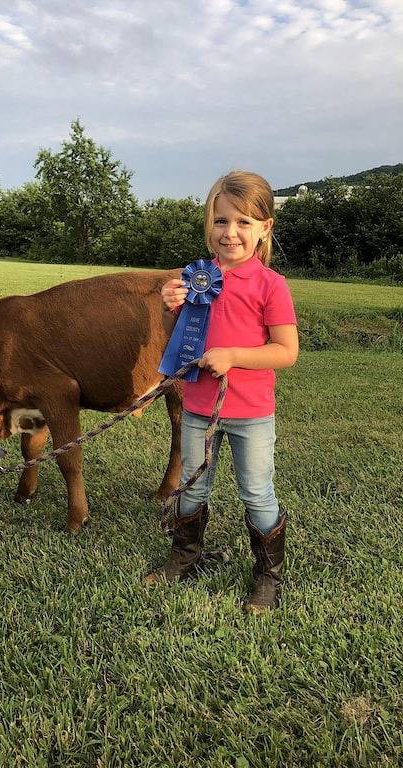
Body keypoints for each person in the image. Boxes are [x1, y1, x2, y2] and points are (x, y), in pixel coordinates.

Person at [146, 170, 299, 615]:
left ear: (264, 228)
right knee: (193, 489)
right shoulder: (197, 279)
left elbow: (286, 352)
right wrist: (169, 307)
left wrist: (233, 355)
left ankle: (267, 577)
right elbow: (185, 342)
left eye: (243, 223)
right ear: (208, 224)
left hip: (251, 413)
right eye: (220, 221)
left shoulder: (272, 285)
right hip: (198, 408)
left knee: (256, 492)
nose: (230, 233)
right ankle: (185, 558)